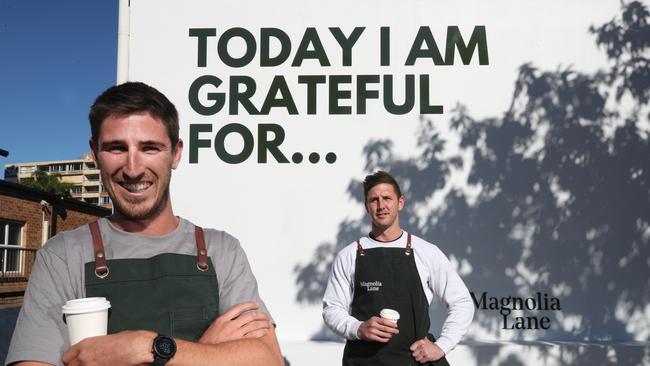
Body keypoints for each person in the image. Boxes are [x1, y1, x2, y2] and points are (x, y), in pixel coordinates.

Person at [6, 82, 283, 366]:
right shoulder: (63, 255)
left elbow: (266, 360)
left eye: (150, 148)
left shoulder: (221, 250)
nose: (133, 168)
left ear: (175, 153)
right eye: (116, 148)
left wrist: (146, 347)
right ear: (95, 154)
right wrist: (202, 351)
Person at [322, 171, 474, 365]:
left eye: (387, 198)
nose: (381, 205)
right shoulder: (349, 255)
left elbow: (462, 301)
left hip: (414, 361)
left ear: (400, 202)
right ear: (366, 206)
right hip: (363, 361)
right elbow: (332, 308)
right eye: (374, 200)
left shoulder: (426, 251)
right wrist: (358, 328)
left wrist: (442, 345)